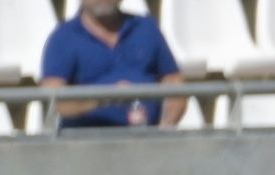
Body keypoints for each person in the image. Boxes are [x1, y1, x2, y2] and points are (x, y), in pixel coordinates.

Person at [41, 1, 187, 129]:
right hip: (87, 145)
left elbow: (174, 81)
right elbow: (53, 100)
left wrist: (167, 125)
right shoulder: (64, 37)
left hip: (147, 140)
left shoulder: (146, 28)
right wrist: (106, 96)